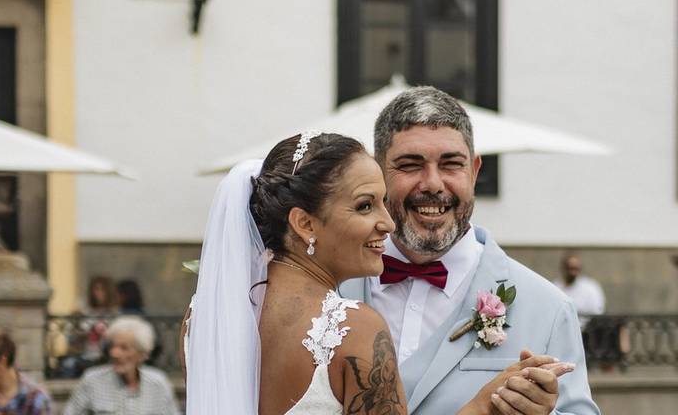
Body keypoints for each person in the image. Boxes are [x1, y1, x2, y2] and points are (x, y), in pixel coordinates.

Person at [185, 132, 565, 414]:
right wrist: (483, 406)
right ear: (304, 223)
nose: (387, 222)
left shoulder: (203, 316)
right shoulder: (353, 329)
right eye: (365, 206)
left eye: (383, 202)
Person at [340, 86, 599, 414]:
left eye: (451, 164)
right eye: (410, 164)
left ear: (474, 171)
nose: (433, 184)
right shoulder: (330, 290)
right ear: (377, 173)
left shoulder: (549, 308)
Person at [64, 315, 179, 415]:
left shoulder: (158, 383)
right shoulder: (92, 381)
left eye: (124, 348)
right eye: (113, 346)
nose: (115, 353)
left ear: (142, 354)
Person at [553, 253, 606, 327]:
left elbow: (597, 312)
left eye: (576, 268)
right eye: (570, 268)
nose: (572, 272)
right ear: (563, 268)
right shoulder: (555, 287)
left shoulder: (591, 287)